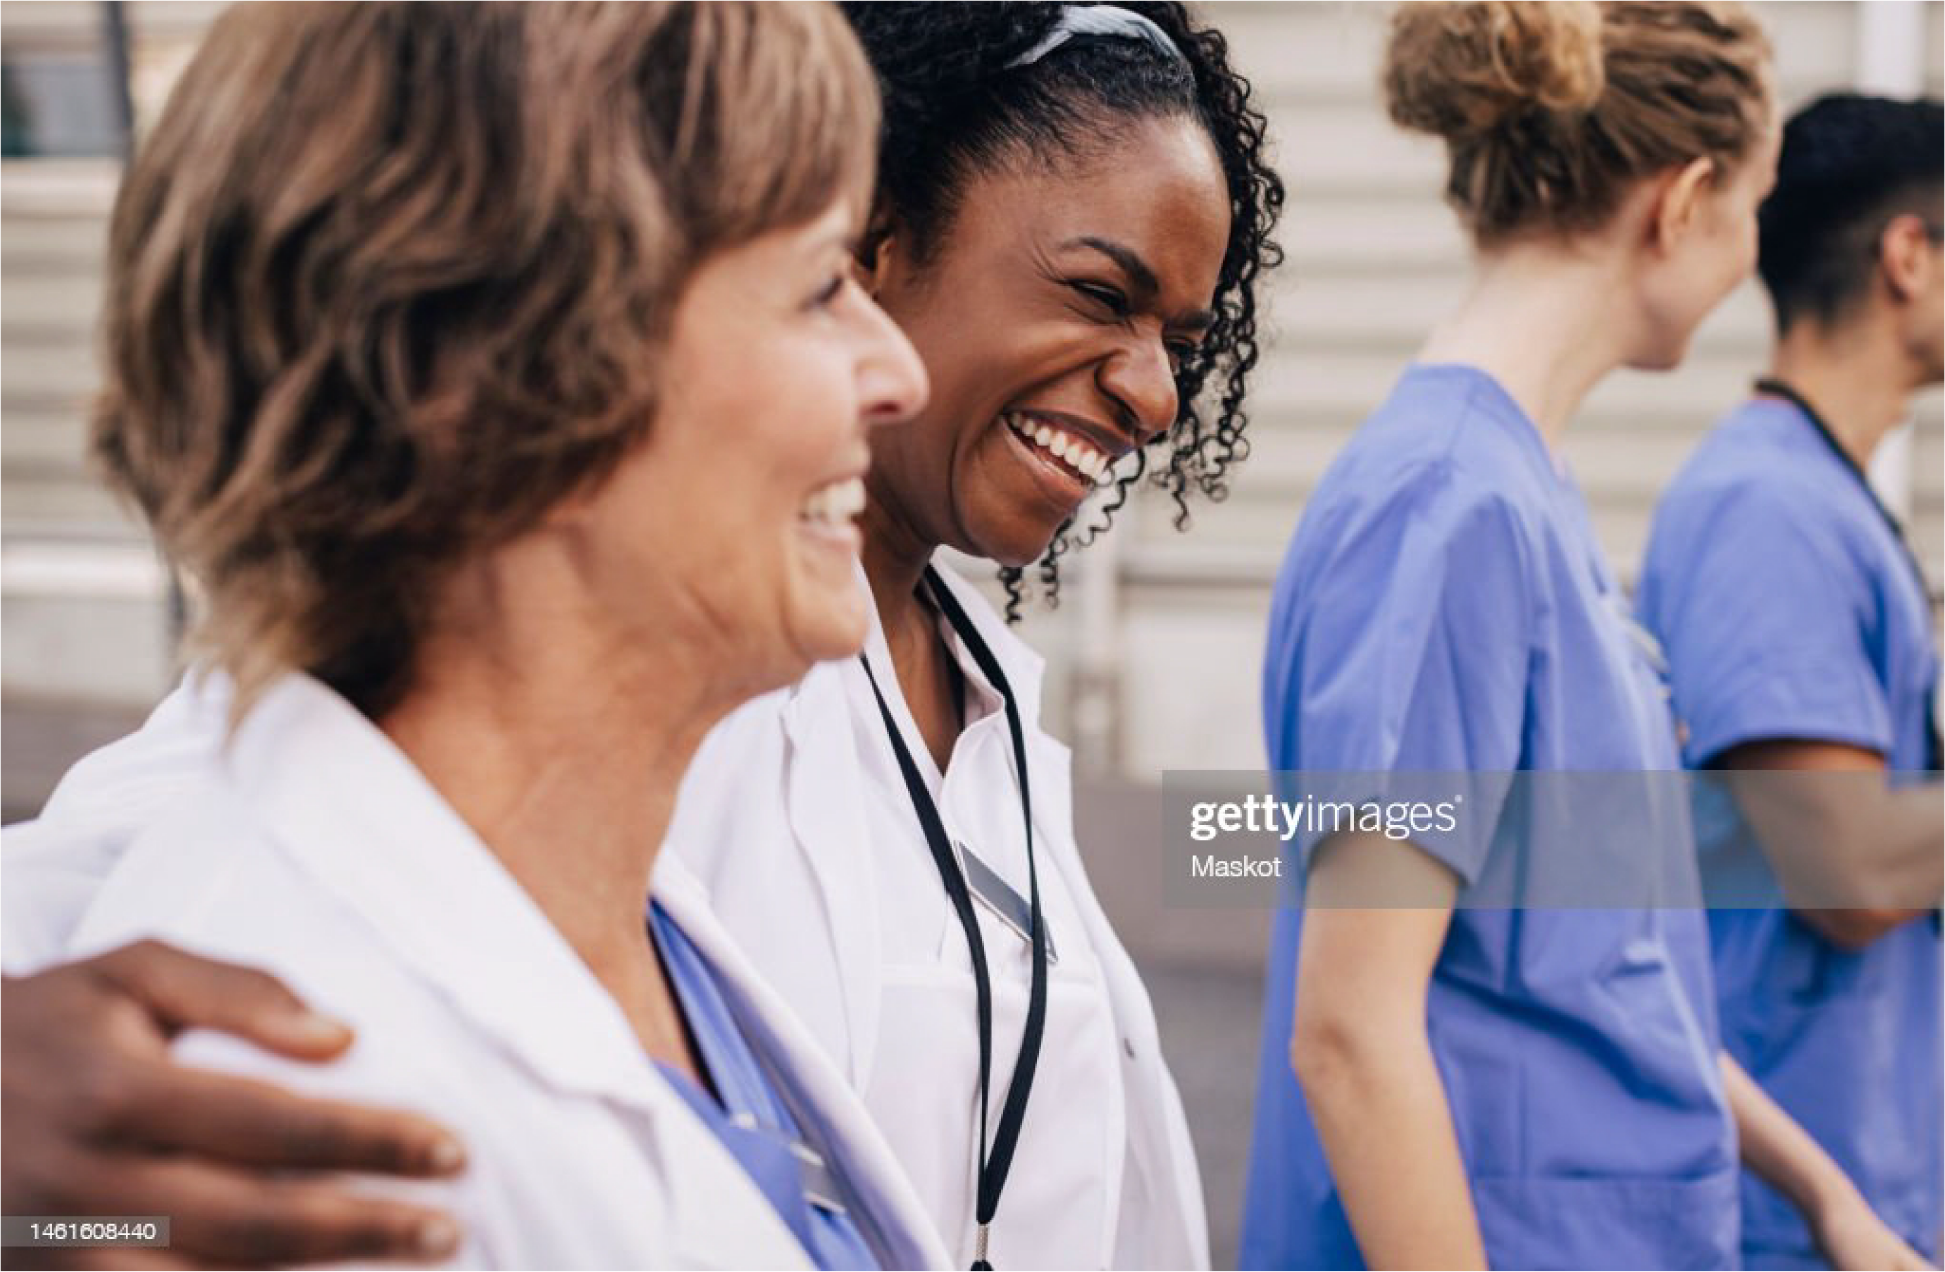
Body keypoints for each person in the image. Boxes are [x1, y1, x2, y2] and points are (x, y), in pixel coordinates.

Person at [0, 2, 1285, 1268]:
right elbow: (216, 823)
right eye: (1100, 295)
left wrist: (1451, 836)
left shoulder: (966, 677)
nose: (1159, 395)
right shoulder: (654, 656)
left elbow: (1199, 856)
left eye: (1178, 338)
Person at [1239, 1, 1928, 1268]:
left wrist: (1821, 1192)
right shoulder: (1448, 509)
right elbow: (1349, 1034)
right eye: (1750, 211)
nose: (1744, 264)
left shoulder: (1521, 501)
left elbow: (1604, 963)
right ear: (1683, 202)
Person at [1637, 92, 1945, 1269]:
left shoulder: (1822, 500)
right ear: (1906, 257)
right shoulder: (1767, 508)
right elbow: (1850, 871)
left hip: (1855, 1184)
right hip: (1772, 1209)